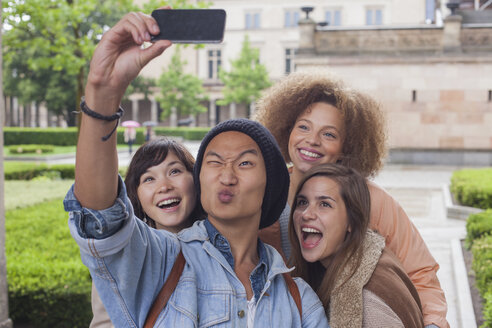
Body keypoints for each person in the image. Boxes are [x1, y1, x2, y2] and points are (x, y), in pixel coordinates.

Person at [64, 10, 329, 327]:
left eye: (245, 163)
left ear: (272, 184)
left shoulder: (300, 301)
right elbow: (99, 217)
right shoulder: (161, 261)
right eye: (214, 162)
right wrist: (103, 94)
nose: (227, 175)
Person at [255, 71, 448, 328]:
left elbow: (421, 274)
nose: (312, 140)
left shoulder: (372, 201)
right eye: (303, 127)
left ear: (347, 146)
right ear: (286, 129)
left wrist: (433, 325)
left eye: (329, 134)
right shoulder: (262, 195)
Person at [289, 164, 424, 328]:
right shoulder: (342, 264)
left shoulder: (368, 303)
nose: (306, 214)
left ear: (351, 222)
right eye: (302, 202)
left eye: (324, 204)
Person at [90, 137, 201, 328]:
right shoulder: (124, 256)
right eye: (149, 178)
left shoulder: (226, 246)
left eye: (174, 171)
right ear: (136, 195)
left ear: (196, 179)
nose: (164, 186)